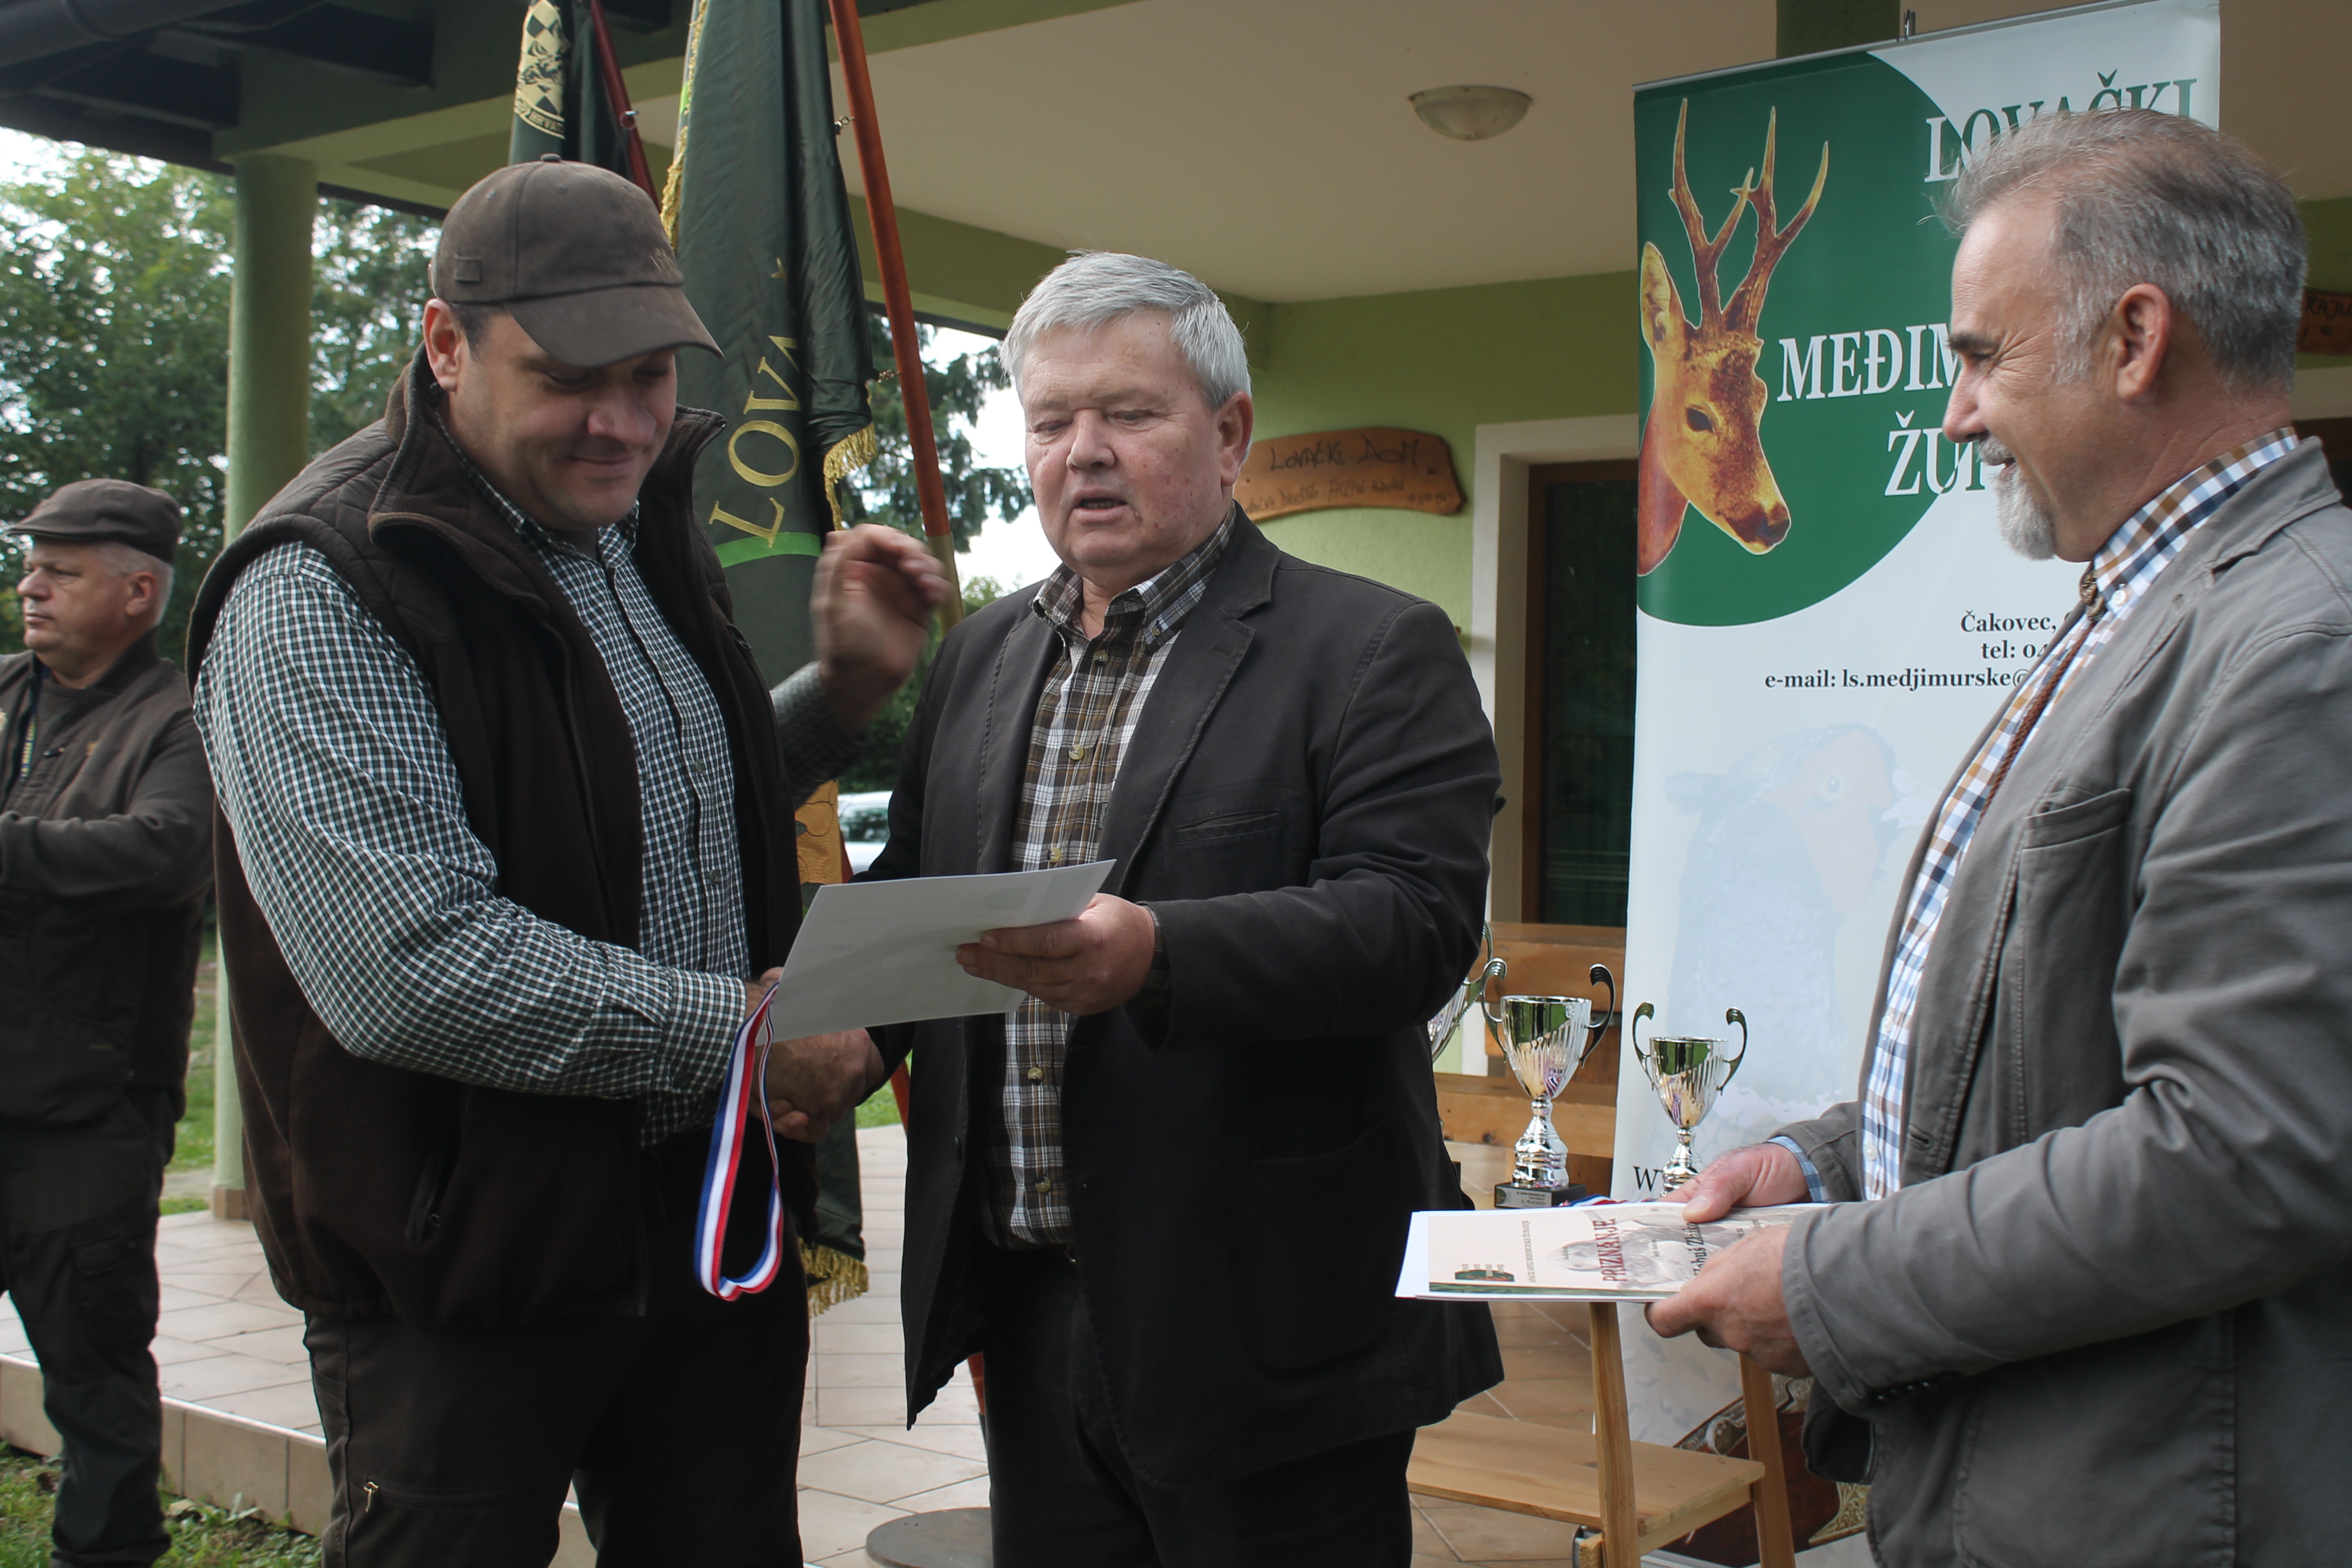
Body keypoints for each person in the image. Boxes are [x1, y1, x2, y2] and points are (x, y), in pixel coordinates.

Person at [186, 157, 943, 1567]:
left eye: (649, 375)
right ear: (444, 343)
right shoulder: (322, 582)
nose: (620, 419)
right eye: (568, 376)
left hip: (697, 1209)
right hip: (465, 1253)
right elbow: (411, 968)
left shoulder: (636, 523)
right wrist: (753, 1035)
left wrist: (834, 695)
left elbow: (629, 804)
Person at [1648, 110, 2352, 1565]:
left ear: (2135, 339)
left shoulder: (2300, 646)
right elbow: (2055, 1051)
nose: (1957, 414)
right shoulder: (2155, 613)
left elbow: (2240, 1152)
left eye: (1979, 355)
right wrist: (1826, 1163)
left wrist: (1837, 1284)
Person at [782, 251, 1503, 1566]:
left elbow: (1413, 924)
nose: (1085, 453)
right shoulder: (989, 650)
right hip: (1035, 1305)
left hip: (1268, 1318)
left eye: (1129, 413)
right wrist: (853, 1034)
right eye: (1052, 421)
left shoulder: (1372, 648)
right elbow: (930, 899)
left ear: (1229, 434)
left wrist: (1161, 953)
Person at [0, 480, 209, 1568]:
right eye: (33, 563)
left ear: (137, 591)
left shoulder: (176, 722)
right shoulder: (8, 695)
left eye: (60, 568)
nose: (30, 583)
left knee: (93, 1383)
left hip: (84, 1118)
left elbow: (170, 851)